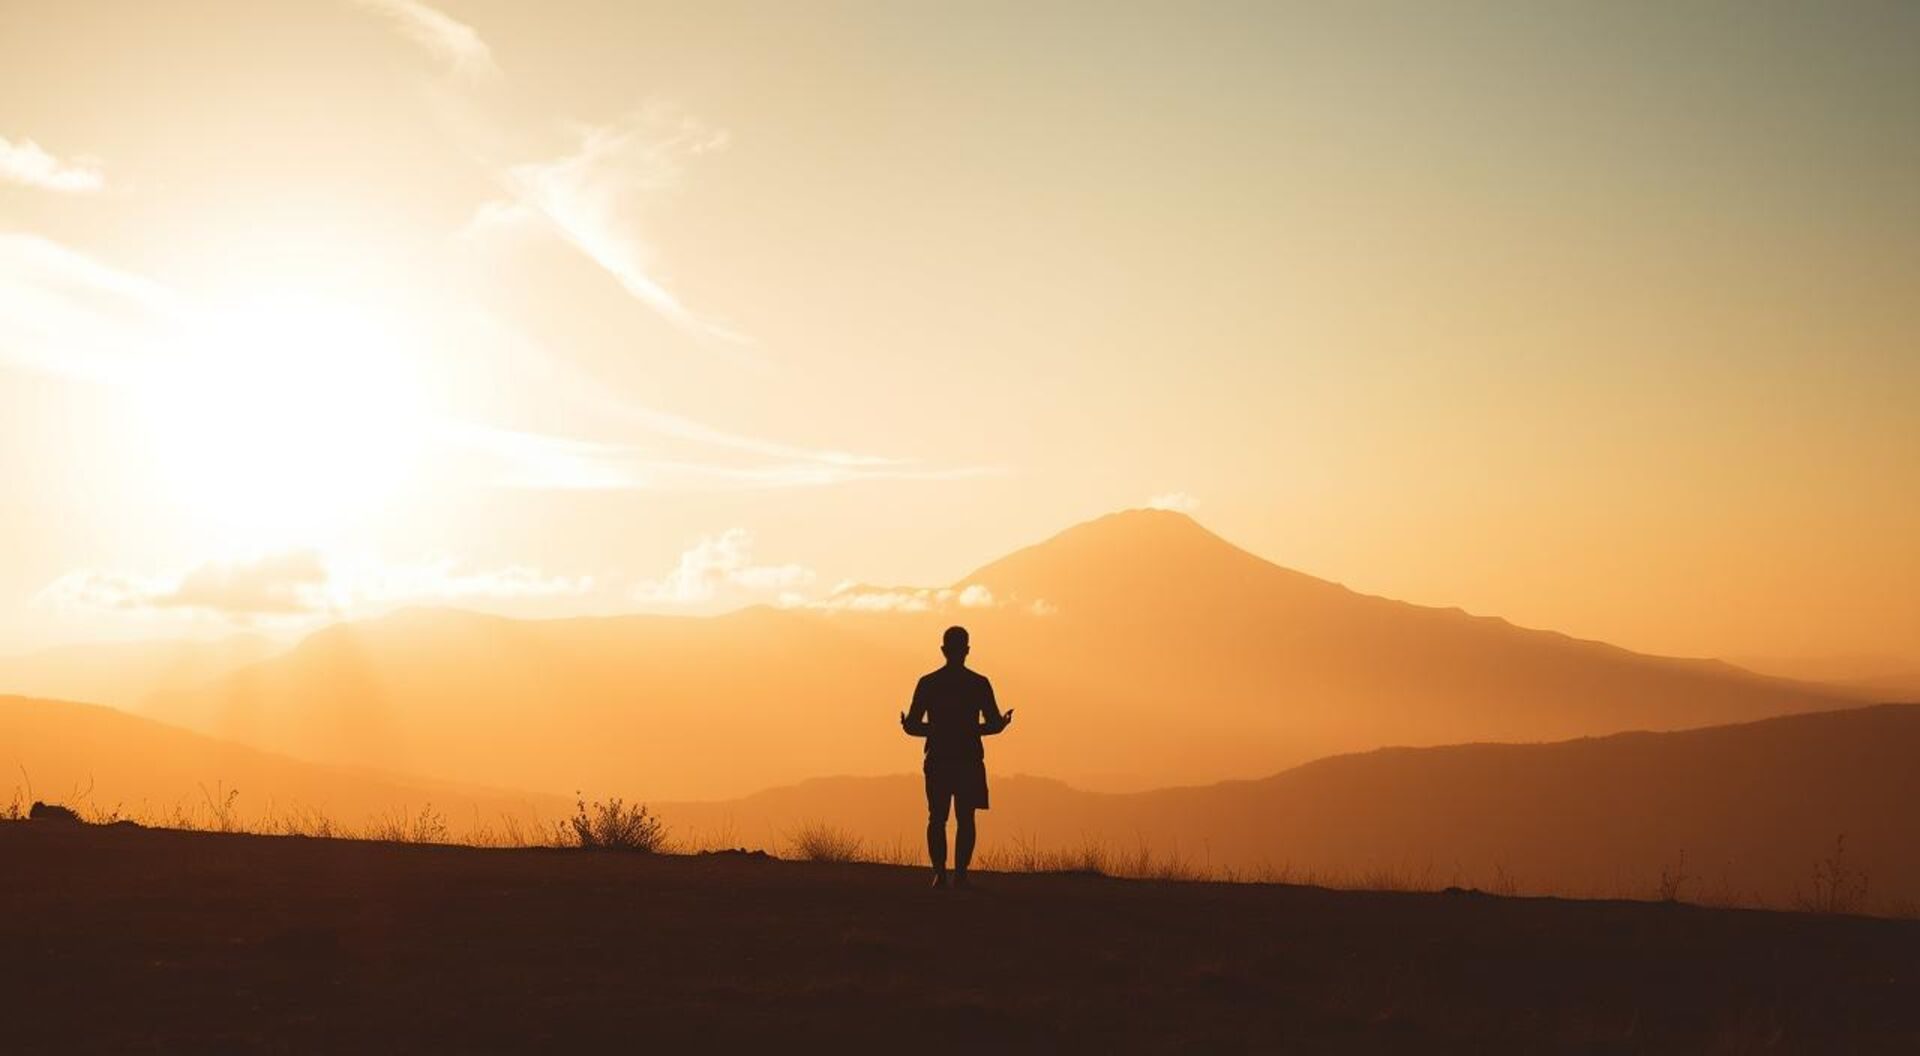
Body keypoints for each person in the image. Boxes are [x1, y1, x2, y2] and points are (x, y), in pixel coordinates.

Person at [900, 625, 1013, 889]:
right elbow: (993, 724)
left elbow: (914, 726)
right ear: (967, 651)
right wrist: (991, 725)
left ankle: (940, 874)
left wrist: (937, 729)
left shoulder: (928, 683)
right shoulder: (979, 684)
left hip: (938, 758)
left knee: (936, 818)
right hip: (968, 759)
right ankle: (960, 875)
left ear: (943, 650)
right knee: (966, 818)